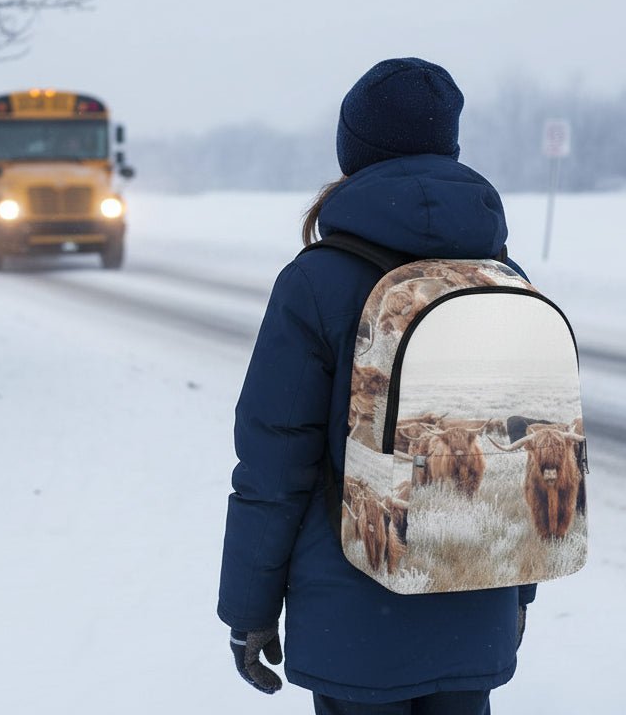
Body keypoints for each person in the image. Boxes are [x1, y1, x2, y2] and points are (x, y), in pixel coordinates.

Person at [217, 58, 535, 715]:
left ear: (351, 148)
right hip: (474, 593)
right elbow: (525, 459)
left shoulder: (315, 282)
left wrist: (248, 612)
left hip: (351, 612)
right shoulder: (503, 277)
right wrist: (516, 596)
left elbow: (274, 467)